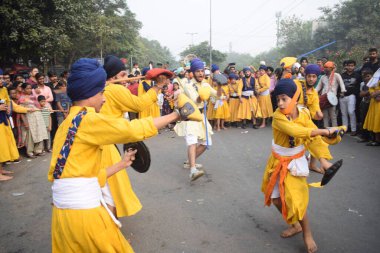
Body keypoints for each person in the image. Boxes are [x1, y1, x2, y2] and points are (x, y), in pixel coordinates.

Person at [47, 58, 201, 252]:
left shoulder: (67, 124)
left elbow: (76, 177)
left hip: (63, 218)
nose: (104, 98)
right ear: (90, 93)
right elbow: (133, 129)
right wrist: (178, 114)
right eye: (101, 93)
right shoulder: (88, 120)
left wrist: (121, 164)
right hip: (84, 217)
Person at [261, 78, 344, 253]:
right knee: (276, 199)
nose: (280, 103)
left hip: (295, 163)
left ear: (295, 97)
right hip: (277, 161)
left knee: (297, 202)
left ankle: (307, 234)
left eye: (284, 98)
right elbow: (296, 131)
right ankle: (295, 225)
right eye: (278, 99)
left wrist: (323, 160)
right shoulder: (278, 116)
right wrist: (325, 130)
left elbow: (311, 138)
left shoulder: (304, 113)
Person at [174, 58, 215, 181]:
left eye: (202, 71)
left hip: (202, 117)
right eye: (197, 71)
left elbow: (216, 94)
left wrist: (221, 87)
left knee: (206, 143)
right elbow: (195, 99)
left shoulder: (206, 84)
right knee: (192, 141)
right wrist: (202, 96)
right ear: (192, 73)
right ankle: (192, 170)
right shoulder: (188, 85)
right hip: (191, 115)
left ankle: (189, 162)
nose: (201, 73)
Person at [0, 78, 33, 181]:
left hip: (3, 122)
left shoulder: (4, 89)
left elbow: (12, 106)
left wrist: (28, 109)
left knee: (3, 147)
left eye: (1, 78)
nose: (2, 80)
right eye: (0, 78)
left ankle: (0, 170)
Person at [18, 83, 48, 158]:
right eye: (27, 88)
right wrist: (25, 122)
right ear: (23, 89)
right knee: (30, 136)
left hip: (38, 118)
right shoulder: (21, 99)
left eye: (30, 88)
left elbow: (39, 106)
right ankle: (30, 152)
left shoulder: (33, 97)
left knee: (39, 133)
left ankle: (38, 150)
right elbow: (20, 111)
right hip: (29, 119)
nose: (29, 90)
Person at [315, 61, 346, 128]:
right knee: (325, 115)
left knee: (333, 115)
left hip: (332, 98)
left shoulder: (336, 75)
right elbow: (318, 87)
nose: (325, 69)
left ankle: (334, 130)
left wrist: (343, 91)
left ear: (331, 68)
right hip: (324, 97)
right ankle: (327, 130)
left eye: (327, 67)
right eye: (325, 67)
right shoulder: (323, 77)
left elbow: (341, 84)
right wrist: (313, 93)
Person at [340, 60, 361, 135]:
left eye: (352, 66)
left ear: (354, 66)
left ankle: (353, 129)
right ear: (346, 66)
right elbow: (339, 86)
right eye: (349, 65)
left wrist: (354, 93)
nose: (350, 67)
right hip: (342, 96)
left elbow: (358, 87)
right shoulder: (342, 75)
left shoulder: (357, 75)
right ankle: (344, 129)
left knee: (351, 112)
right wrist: (340, 93)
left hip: (352, 96)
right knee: (343, 113)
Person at [362, 68, 380, 146]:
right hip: (375, 104)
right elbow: (372, 94)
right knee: (375, 121)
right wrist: (378, 92)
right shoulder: (374, 80)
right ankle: (376, 140)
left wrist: (378, 91)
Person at [357, 69, 373, 143]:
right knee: (363, 120)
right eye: (365, 77)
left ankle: (372, 138)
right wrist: (369, 92)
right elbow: (361, 94)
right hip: (364, 103)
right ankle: (364, 137)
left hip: (372, 104)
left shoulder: (375, 84)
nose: (367, 78)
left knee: (371, 121)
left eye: (368, 76)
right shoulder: (364, 85)